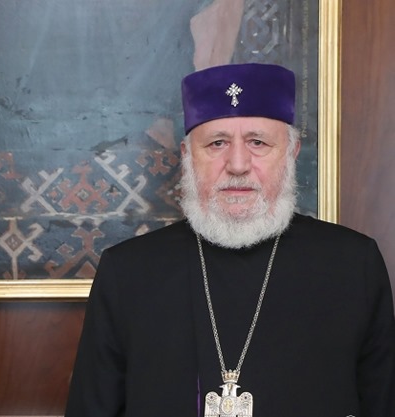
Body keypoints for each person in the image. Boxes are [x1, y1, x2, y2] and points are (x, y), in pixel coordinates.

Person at [65, 63, 395, 416]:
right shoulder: (127, 272)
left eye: (258, 142)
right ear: (187, 155)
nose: (238, 164)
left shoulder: (352, 265)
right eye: (217, 143)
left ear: (291, 153)